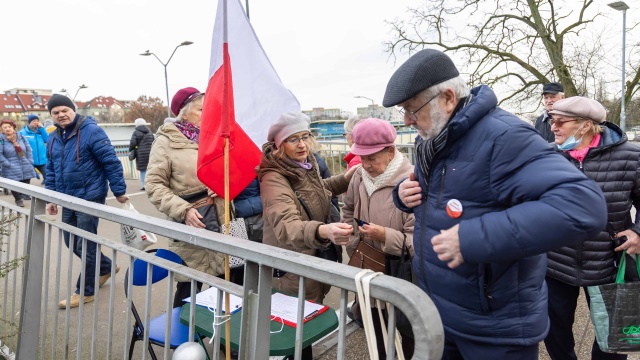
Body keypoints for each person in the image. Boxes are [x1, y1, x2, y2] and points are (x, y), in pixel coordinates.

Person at [387, 49, 607, 359]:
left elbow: (583, 206)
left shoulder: (504, 136)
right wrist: (402, 194)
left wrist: (472, 237)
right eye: (403, 111)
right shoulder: (432, 138)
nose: (407, 121)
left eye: (412, 110)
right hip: (442, 314)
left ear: (448, 98)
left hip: (492, 328)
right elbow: (444, 194)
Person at [543, 96, 640, 360]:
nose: (554, 127)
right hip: (556, 263)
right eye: (552, 120)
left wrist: (638, 232)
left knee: (612, 337)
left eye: (560, 121)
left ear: (585, 126)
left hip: (607, 263)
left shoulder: (631, 156)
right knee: (554, 331)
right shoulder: (547, 156)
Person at [258, 112, 358, 359]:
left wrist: (344, 179)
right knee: (297, 334)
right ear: (279, 145)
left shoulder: (304, 165)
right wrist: (324, 230)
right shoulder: (274, 177)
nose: (302, 144)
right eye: (293, 139)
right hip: (293, 264)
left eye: (305, 137)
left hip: (310, 257)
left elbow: (318, 191)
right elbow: (287, 227)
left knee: (307, 323)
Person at [146, 87, 238, 307]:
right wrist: (183, 210)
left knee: (229, 285)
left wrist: (225, 184)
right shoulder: (166, 141)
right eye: (201, 109)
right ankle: (184, 339)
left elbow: (233, 170)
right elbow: (153, 184)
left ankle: (224, 338)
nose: (207, 114)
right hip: (194, 221)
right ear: (184, 113)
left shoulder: (216, 137)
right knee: (189, 290)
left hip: (225, 217)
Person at [44, 94, 128, 309]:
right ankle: (106, 267)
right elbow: (51, 170)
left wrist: (119, 190)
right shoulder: (53, 137)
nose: (61, 115)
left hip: (90, 197)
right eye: (56, 112)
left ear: (73, 110)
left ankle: (85, 292)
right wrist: (51, 197)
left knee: (87, 244)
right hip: (67, 198)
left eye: (65, 110)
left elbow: (110, 161)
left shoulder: (91, 131)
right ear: (51, 116)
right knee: (71, 241)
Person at [342, 118, 415, 358]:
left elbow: (417, 240)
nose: (365, 164)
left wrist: (384, 235)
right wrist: (352, 241)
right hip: (367, 268)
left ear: (391, 151)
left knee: (407, 332)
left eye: (371, 158)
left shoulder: (412, 182)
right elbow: (349, 209)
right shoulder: (358, 176)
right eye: (361, 157)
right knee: (376, 330)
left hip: (400, 272)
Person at [0, 119, 36, 207]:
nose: (8, 129)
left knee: (26, 181)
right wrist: (7, 164)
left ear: (13, 127)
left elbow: (28, 150)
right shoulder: (1, 140)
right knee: (14, 184)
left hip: (25, 163)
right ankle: (18, 199)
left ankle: (23, 194)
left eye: (9, 127)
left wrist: (30, 161)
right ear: (2, 129)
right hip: (10, 165)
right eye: (5, 127)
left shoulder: (21, 137)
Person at [19, 114, 49, 183]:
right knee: (26, 180)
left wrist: (42, 128)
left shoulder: (40, 131)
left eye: (37, 121)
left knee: (49, 178)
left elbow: (48, 140)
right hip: (30, 161)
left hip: (42, 160)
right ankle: (25, 193)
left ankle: (50, 193)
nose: (36, 122)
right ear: (29, 122)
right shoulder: (22, 133)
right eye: (34, 121)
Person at [129, 118, 155, 190]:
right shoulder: (149, 132)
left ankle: (144, 185)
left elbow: (133, 143)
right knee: (150, 169)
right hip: (150, 153)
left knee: (143, 170)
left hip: (141, 154)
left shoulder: (136, 132)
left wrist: (131, 149)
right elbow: (153, 141)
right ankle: (152, 185)